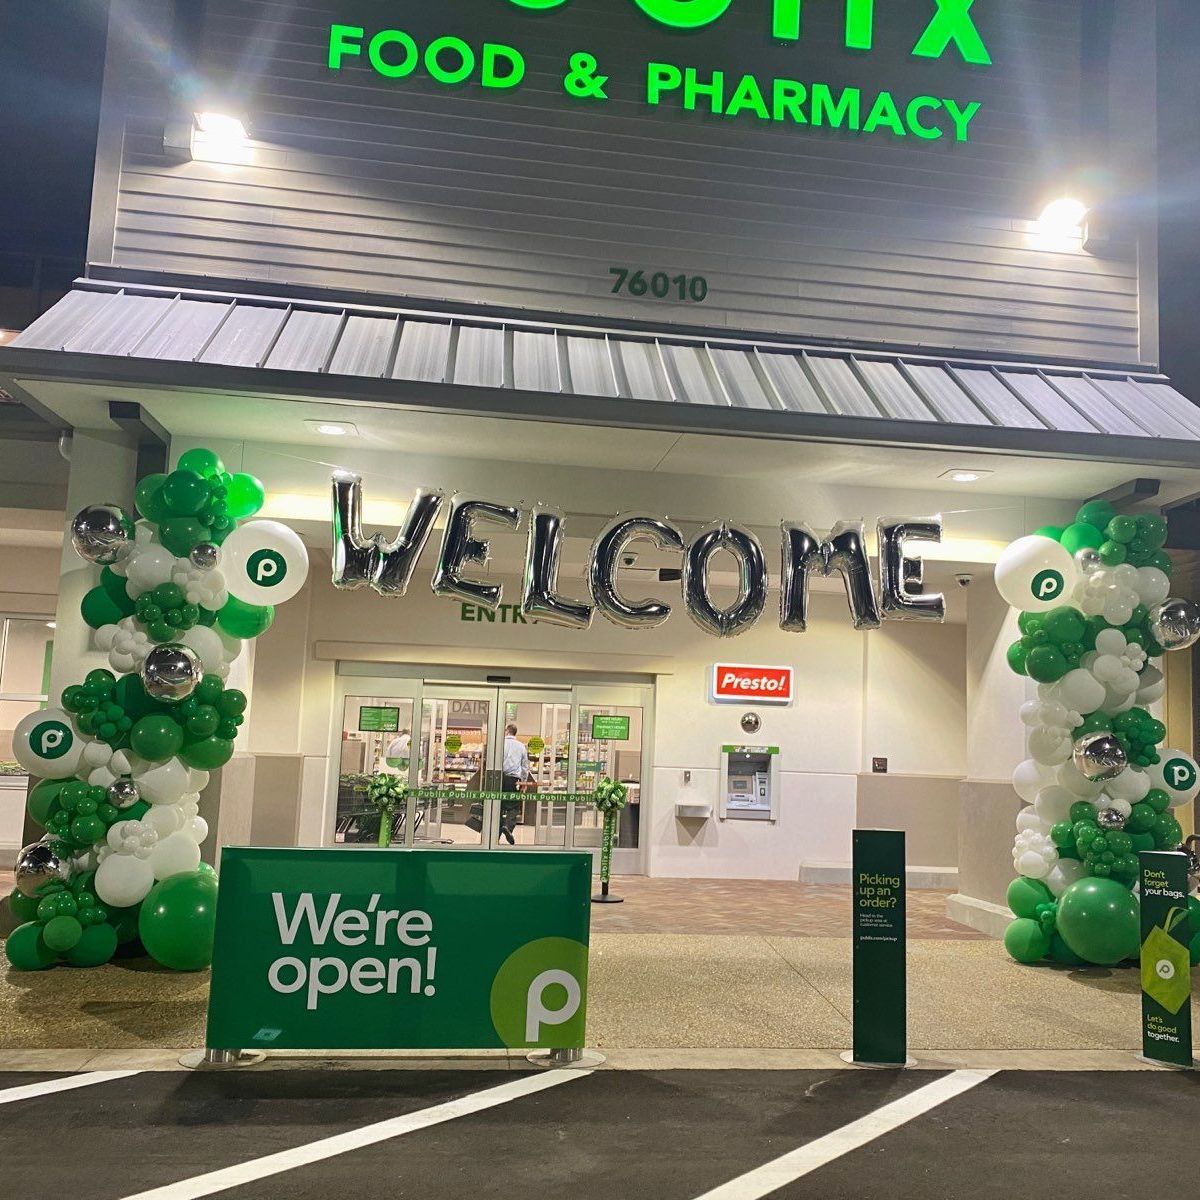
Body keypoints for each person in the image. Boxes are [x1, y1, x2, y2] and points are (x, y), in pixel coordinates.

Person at [500, 723, 529, 845]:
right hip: (514, 780)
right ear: (515, 732)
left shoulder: (500, 743)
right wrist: (524, 780)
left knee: (498, 805)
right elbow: (524, 766)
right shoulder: (521, 746)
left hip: (499, 778)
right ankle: (508, 827)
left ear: (507, 731)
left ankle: (496, 832)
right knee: (514, 806)